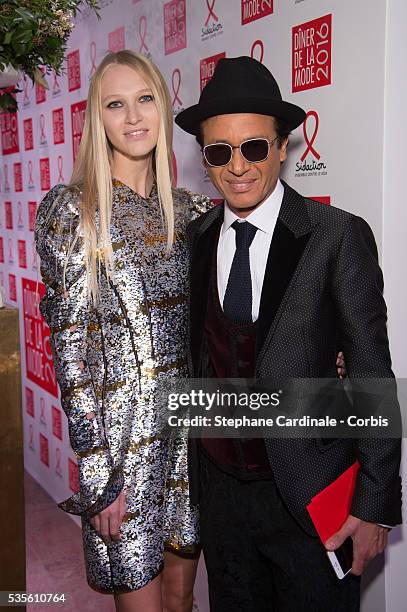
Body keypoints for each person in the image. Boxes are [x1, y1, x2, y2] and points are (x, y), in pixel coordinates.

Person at [175, 56, 402, 611]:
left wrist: (374, 505)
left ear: (282, 147)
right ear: (205, 159)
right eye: (219, 152)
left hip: (311, 498)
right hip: (222, 501)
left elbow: (371, 371)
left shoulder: (336, 236)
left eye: (254, 147)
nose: (238, 167)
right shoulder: (195, 237)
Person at [35, 50, 211, 612]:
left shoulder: (192, 212)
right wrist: (99, 477)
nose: (133, 117)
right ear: (97, 119)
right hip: (122, 448)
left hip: (192, 438)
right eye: (116, 104)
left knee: (183, 594)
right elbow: (70, 353)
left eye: (144, 100)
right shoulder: (73, 210)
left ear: (163, 108)